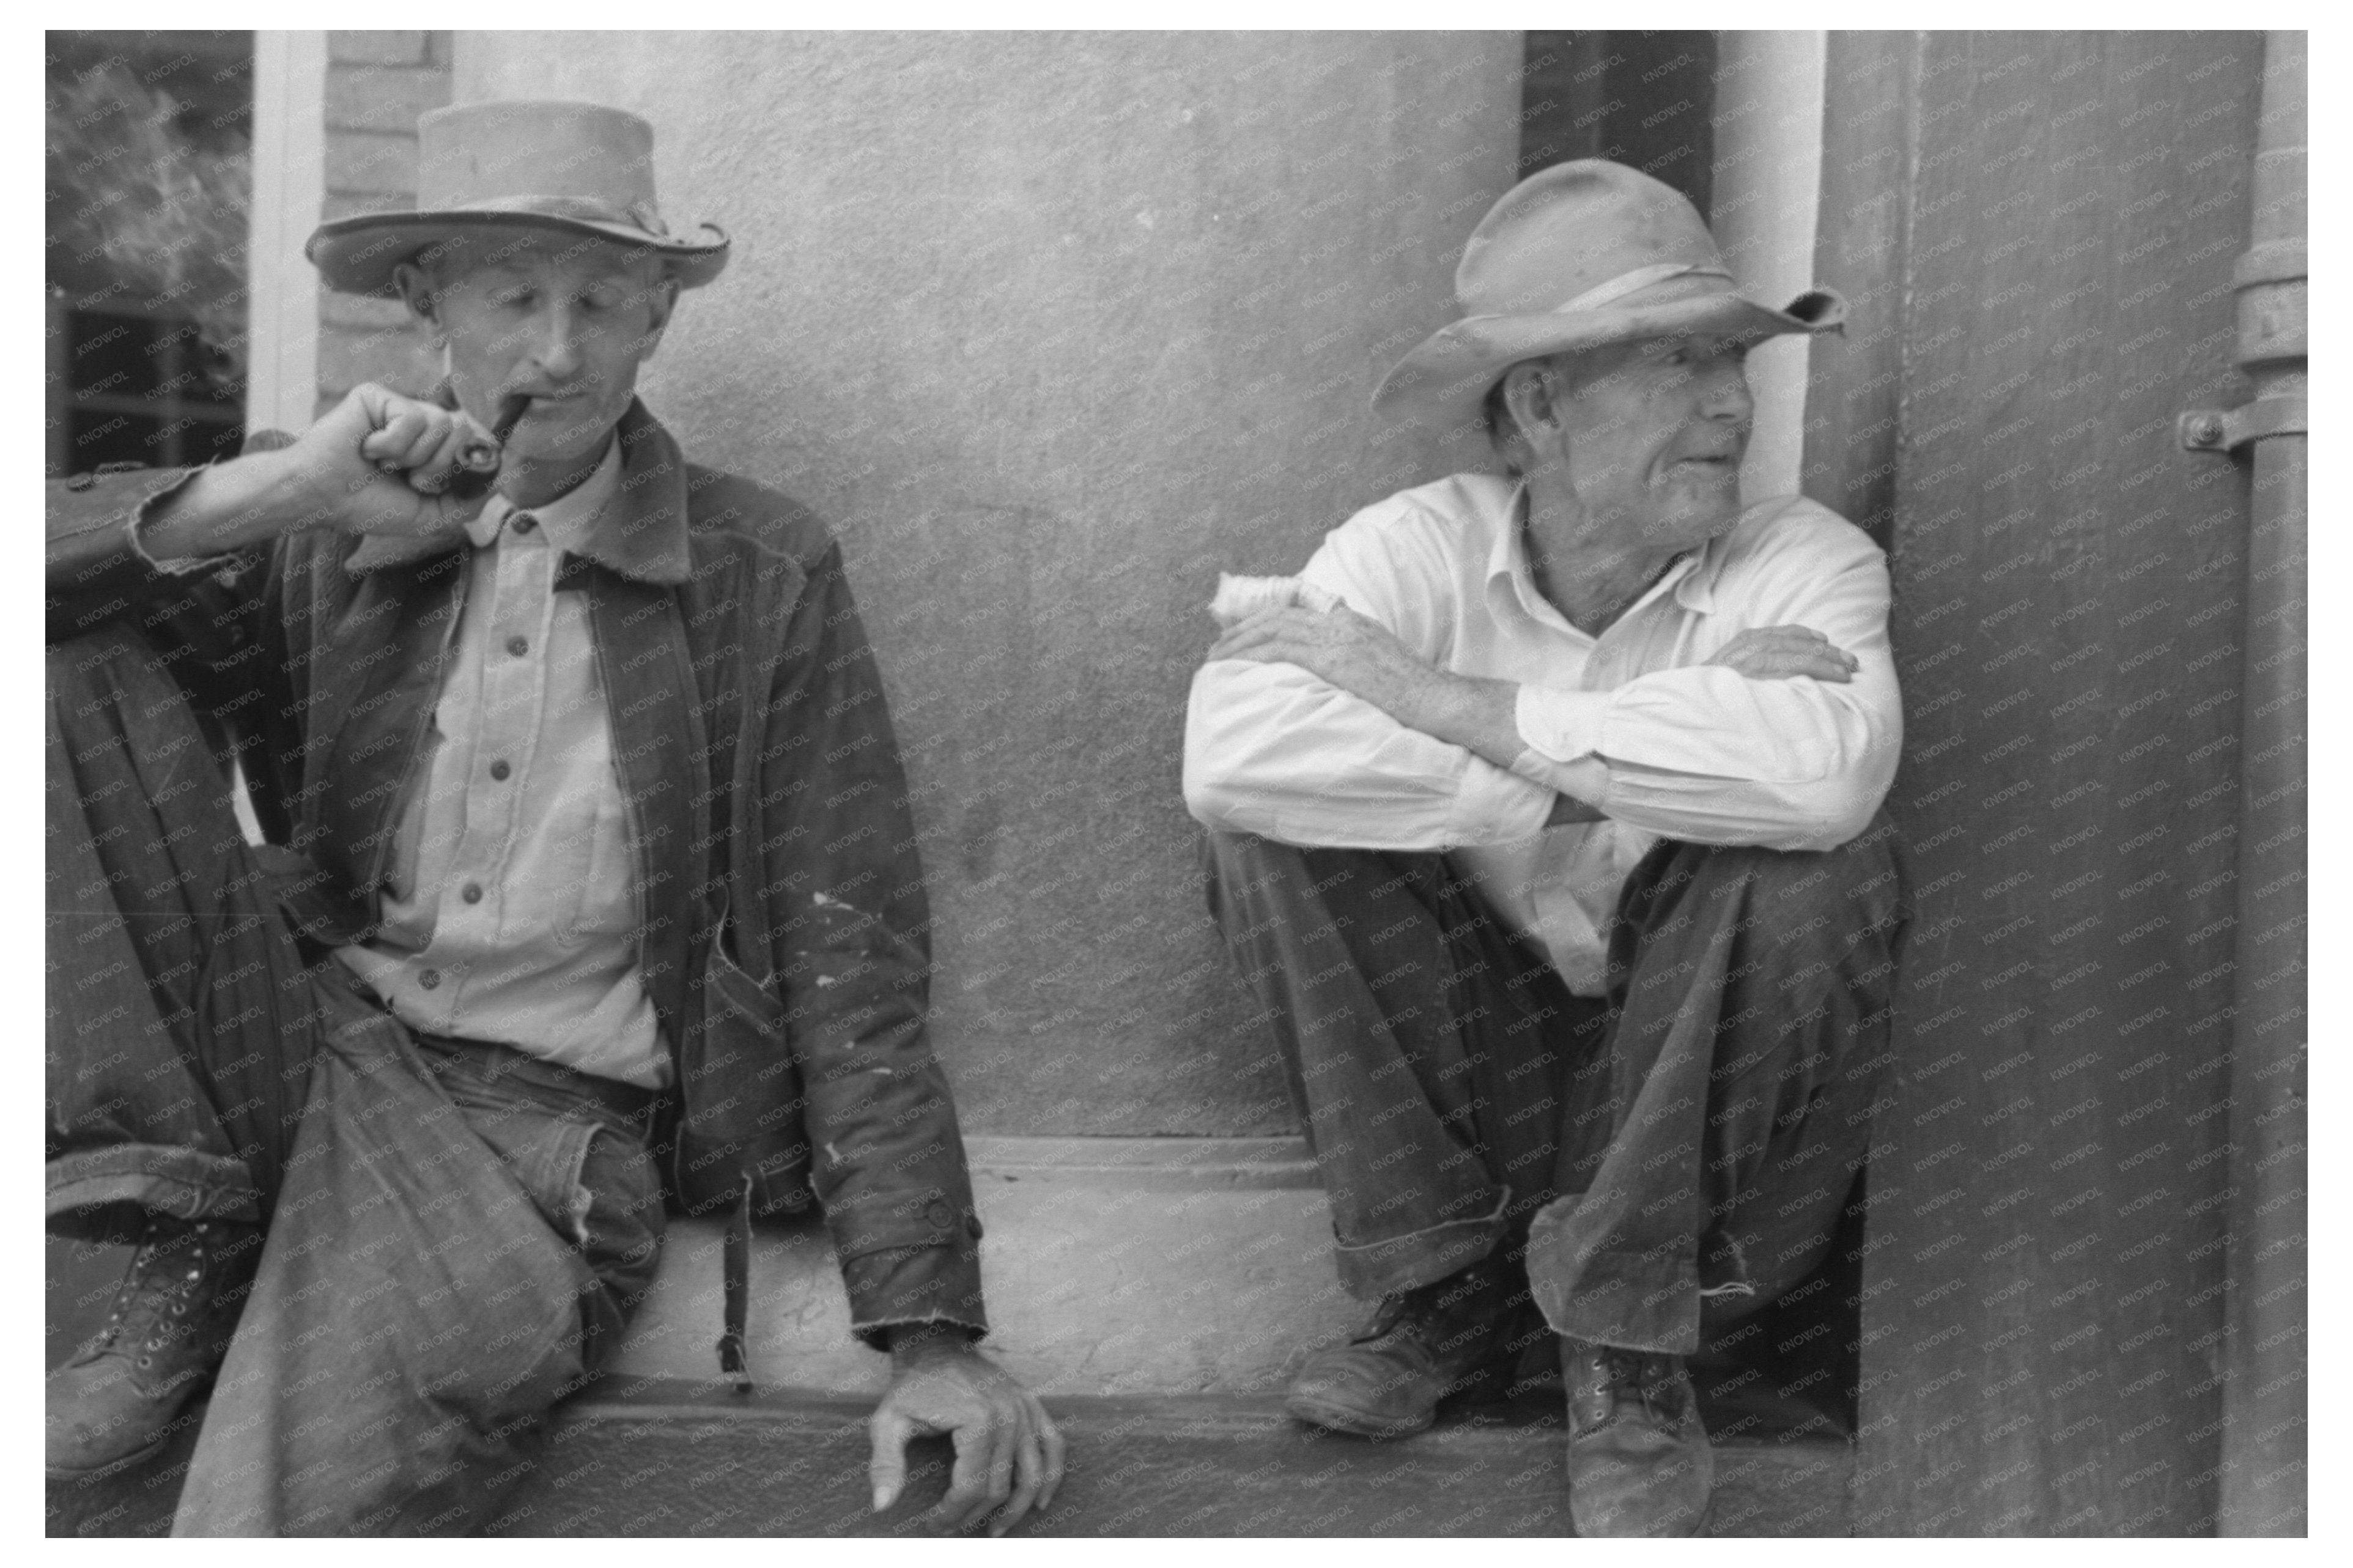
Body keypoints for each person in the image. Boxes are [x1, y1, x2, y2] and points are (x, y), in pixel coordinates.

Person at [45, 99, 1062, 1536]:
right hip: (302, 1034)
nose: (559, 349)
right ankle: (176, 1217)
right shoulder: (319, 527)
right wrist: (292, 491)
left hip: (524, 1142)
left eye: (603, 301)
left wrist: (926, 1324)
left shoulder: (761, 569)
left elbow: (856, 953)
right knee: (60, 661)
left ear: (657, 320)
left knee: (264, 1518)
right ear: (425, 303)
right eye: (514, 296)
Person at [1183, 160, 1910, 1537]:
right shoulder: (1407, 551)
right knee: (1265, 838)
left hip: (1696, 1101)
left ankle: (1625, 1338)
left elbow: (1821, 784)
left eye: (1733, 364)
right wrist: (1626, 765)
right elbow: (1230, 758)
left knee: (1817, 872)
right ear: (1536, 404)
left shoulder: (1808, 562)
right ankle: (1447, 1282)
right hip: (1484, 1081)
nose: (1728, 405)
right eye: (1676, 366)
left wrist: (1438, 705)